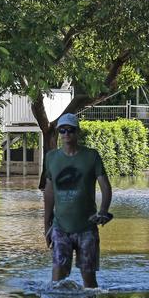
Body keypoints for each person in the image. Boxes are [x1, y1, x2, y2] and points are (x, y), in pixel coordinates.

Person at [43, 113, 113, 288]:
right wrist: (46, 226)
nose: (66, 134)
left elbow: (105, 186)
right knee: (56, 283)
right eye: (62, 131)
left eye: (71, 130)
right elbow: (49, 192)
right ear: (59, 133)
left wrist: (103, 211)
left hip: (86, 228)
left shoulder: (91, 156)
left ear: (78, 132)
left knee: (89, 282)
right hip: (60, 228)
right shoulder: (51, 158)